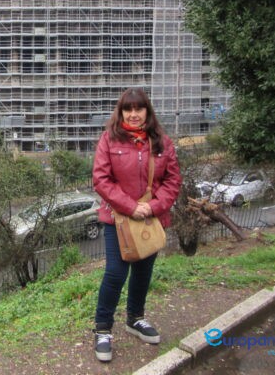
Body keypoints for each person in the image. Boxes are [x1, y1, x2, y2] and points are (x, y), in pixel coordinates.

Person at [91, 87, 182, 362]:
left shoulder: (162, 142)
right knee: (115, 273)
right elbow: (101, 180)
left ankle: (135, 318)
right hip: (117, 219)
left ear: (147, 111)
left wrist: (153, 207)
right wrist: (131, 207)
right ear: (120, 112)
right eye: (128, 109)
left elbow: (172, 180)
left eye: (138, 108)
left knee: (143, 272)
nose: (133, 114)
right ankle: (103, 329)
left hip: (151, 219)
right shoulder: (109, 139)